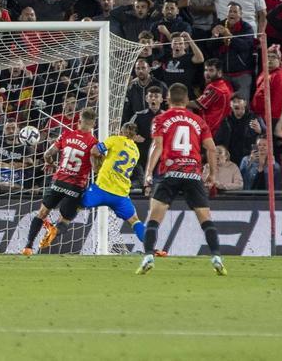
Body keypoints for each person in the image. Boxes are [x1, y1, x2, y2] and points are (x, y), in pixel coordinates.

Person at [138, 84, 225, 276]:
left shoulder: (161, 118)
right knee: (205, 219)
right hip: (192, 175)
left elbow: (157, 146)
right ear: (186, 100)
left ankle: (148, 257)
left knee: (154, 219)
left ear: (168, 99)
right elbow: (211, 148)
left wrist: (148, 172)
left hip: (170, 174)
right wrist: (212, 174)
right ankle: (217, 257)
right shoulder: (198, 120)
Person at [22, 108, 98, 255]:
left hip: (59, 181)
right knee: (64, 220)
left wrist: (49, 163)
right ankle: (55, 230)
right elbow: (95, 169)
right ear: (93, 124)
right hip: (76, 186)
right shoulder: (93, 143)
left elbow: (47, 154)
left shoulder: (66, 134)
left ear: (79, 120)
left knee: (42, 212)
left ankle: (28, 246)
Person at [79, 125, 147, 246]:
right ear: (134, 136)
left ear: (121, 131)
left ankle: (55, 227)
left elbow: (94, 151)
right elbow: (116, 160)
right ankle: (151, 248)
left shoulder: (115, 139)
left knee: (76, 203)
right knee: (134, 220)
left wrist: (96, 165)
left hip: (102, 189)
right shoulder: (136, 151)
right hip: (121, 195)